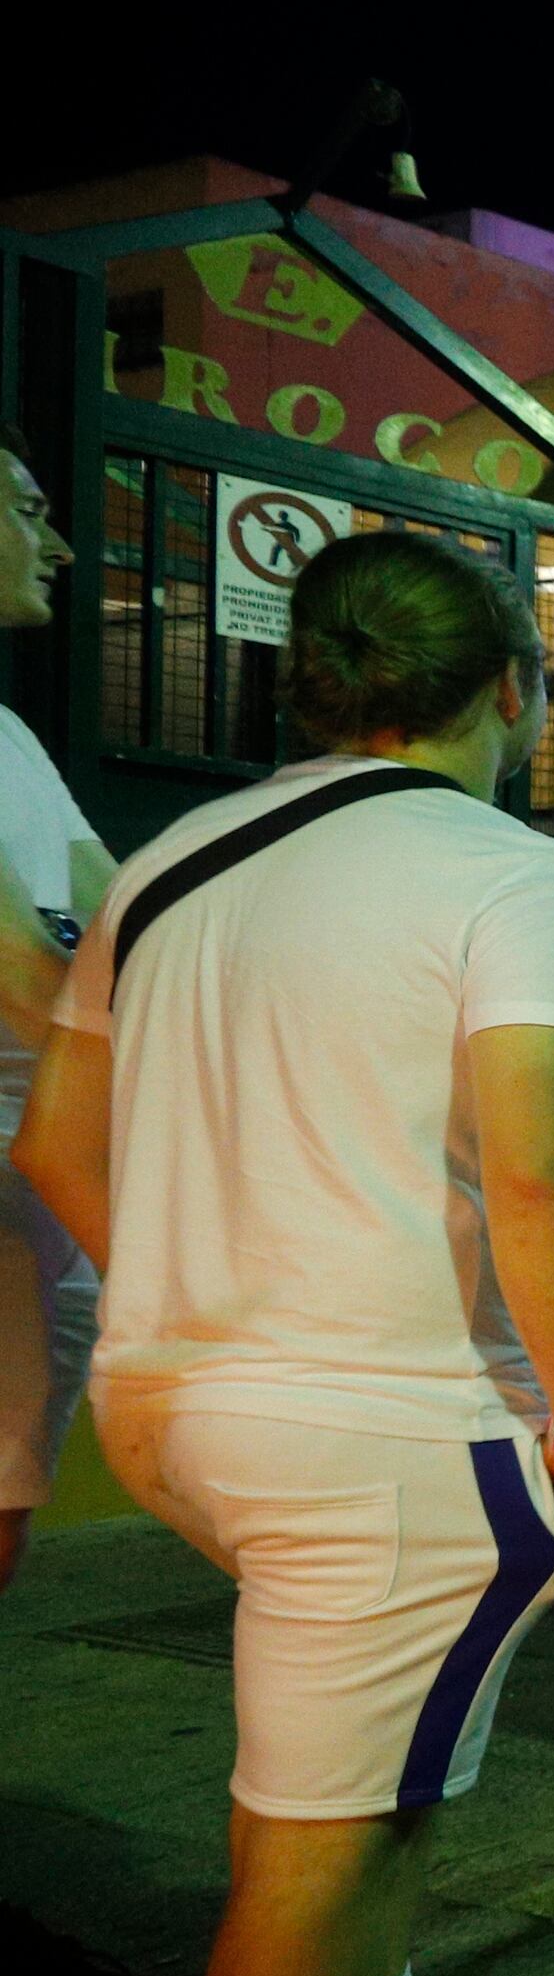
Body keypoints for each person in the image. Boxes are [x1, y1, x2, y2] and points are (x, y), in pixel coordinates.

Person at [16, 531, 554, 1976]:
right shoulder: (526, 872)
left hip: (180, 1404)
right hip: (391, 1425)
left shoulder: (175, 859)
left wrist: (202, 1295)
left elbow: (57, 1143)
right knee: (312, 1850)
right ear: (512, 689)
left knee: (324, 1784)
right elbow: (544, 1167)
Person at [0, 433, 121, 1602]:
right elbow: (30, 983)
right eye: (29, 510)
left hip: (31, 1202)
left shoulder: (12, 738)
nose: (64, 544)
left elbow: (124, 919)